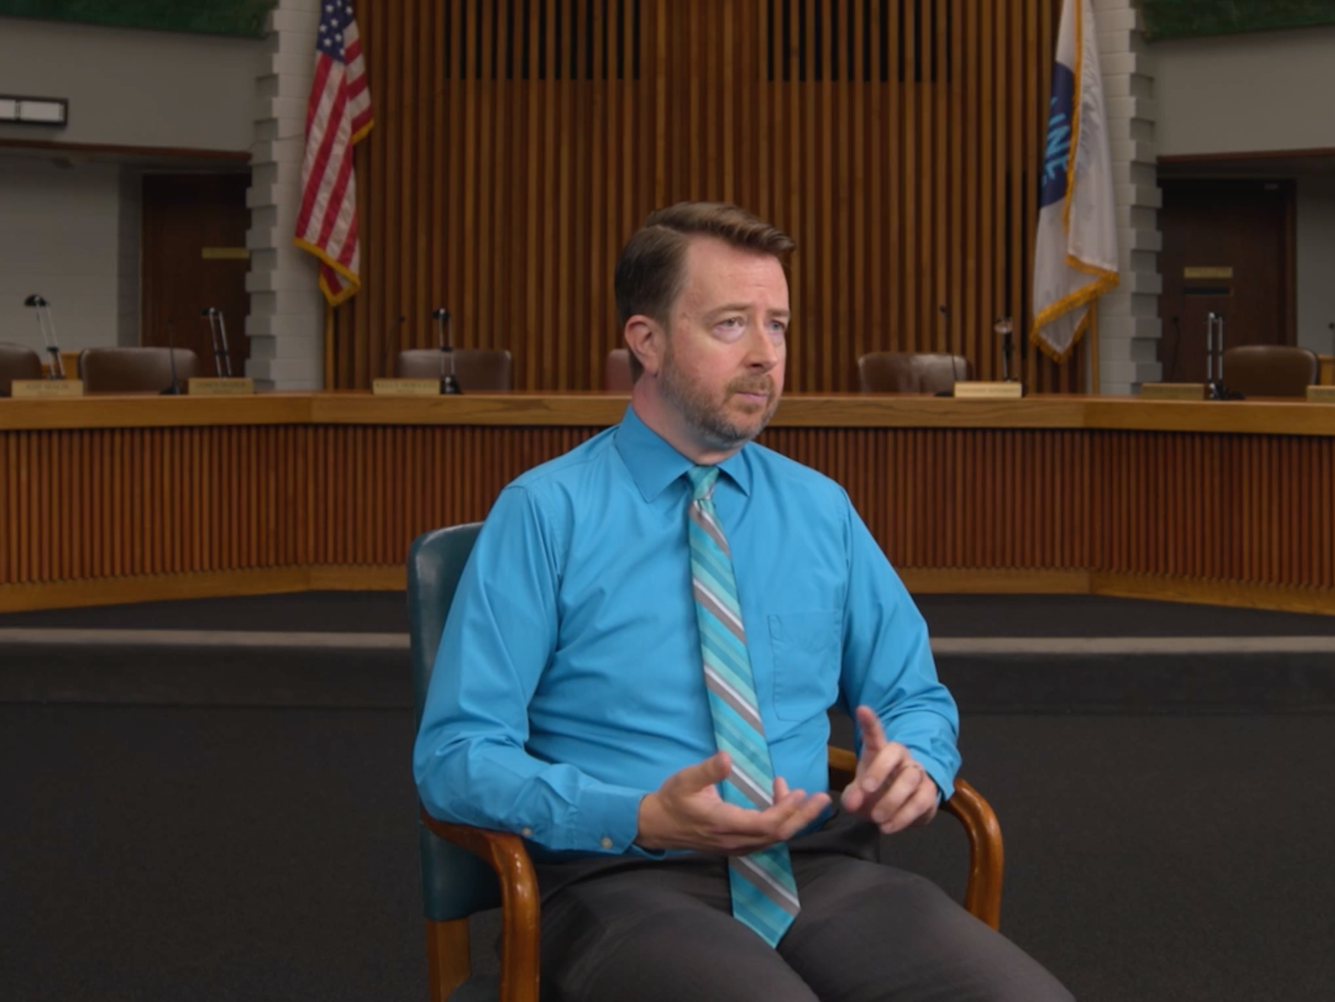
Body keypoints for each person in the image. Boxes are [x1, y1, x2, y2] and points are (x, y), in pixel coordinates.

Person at [414, 202, 1072, 1001]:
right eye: (730, 324)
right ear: (646, 341)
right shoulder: (546, 514)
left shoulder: (821, 509)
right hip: (621, 880)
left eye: (778, 326)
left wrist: (917, 762)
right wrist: (636, 814)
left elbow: (913, 697)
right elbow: (455, 758)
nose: (765, 355)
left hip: (815, 869)